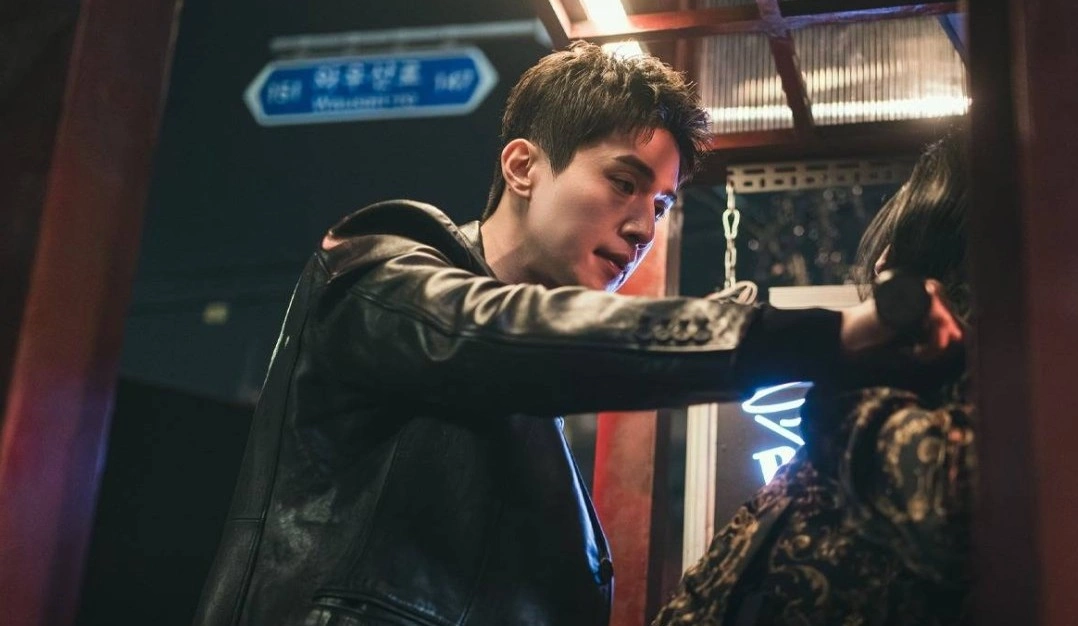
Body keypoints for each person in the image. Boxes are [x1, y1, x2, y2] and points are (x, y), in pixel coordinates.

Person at [192, 42, 961, 626]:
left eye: (662, 206)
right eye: (623, 183)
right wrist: (817, 337)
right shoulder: (377, 269)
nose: (642, 228)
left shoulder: (538, 405)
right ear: (523, 166)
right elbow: (491, 333)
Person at [652, 131, 974, 626]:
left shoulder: (954, 407)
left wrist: (853, 387)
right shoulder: (890, 403)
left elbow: (948, 509)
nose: (880, 263)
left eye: (902, 248)